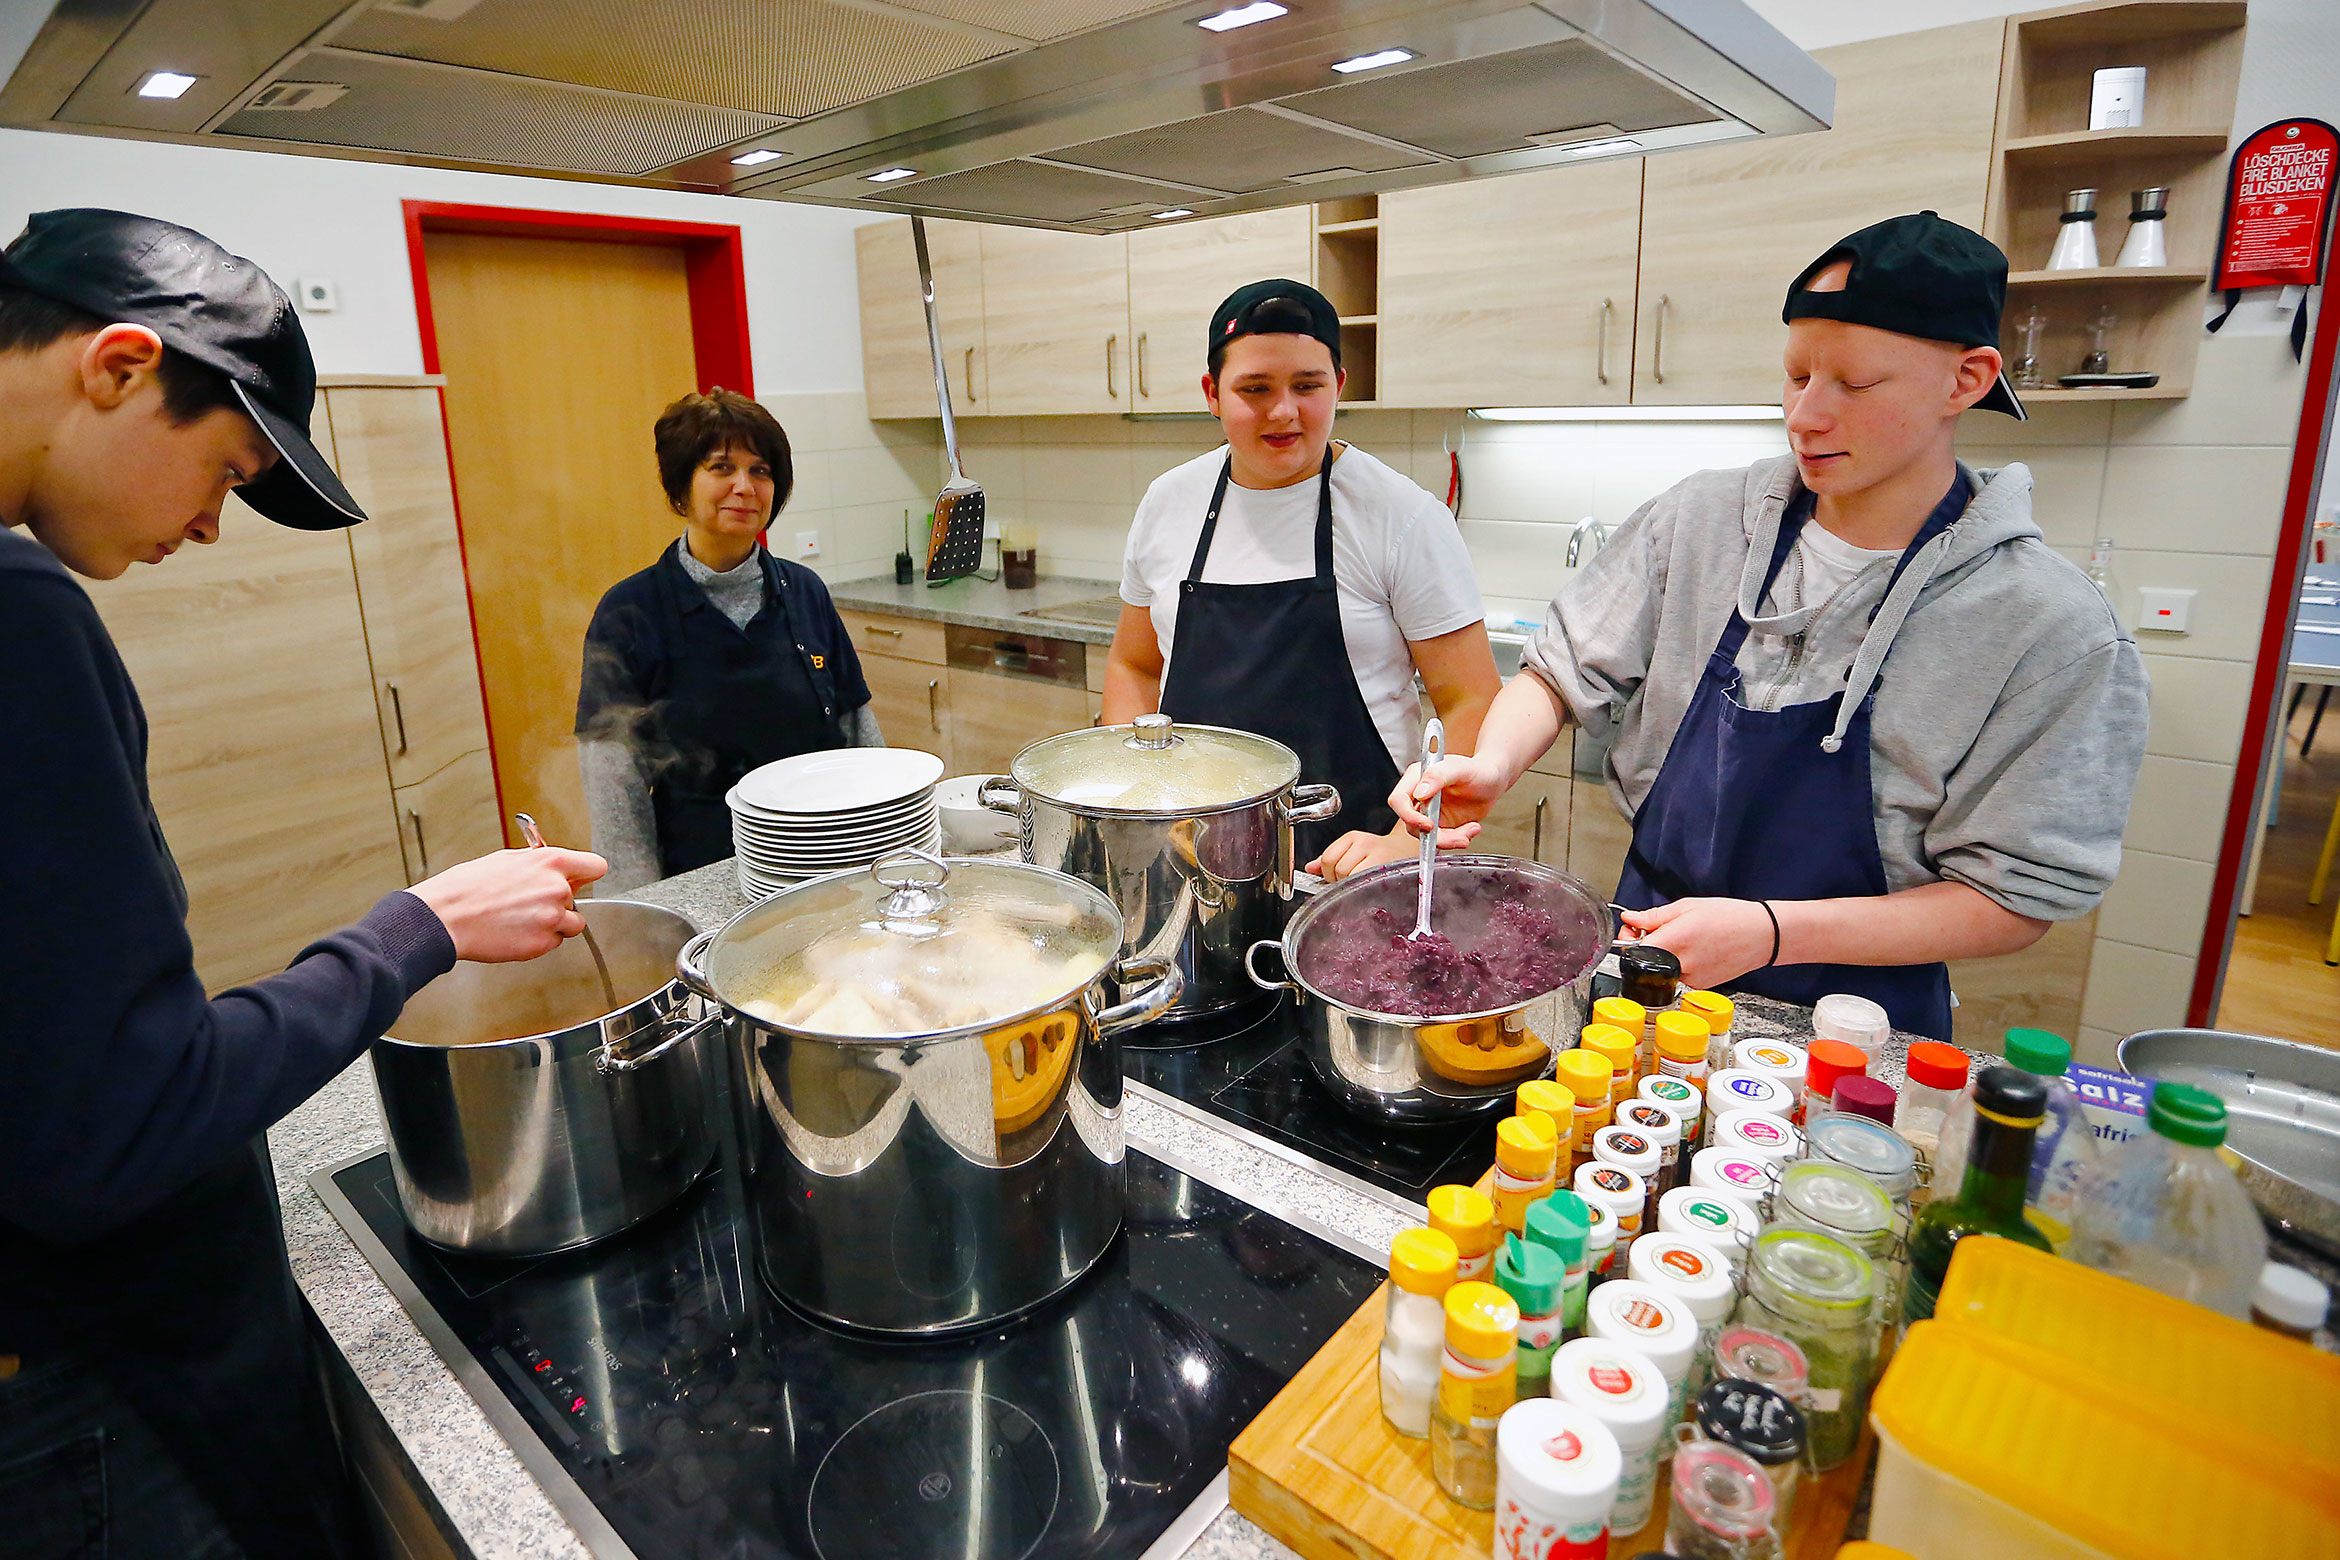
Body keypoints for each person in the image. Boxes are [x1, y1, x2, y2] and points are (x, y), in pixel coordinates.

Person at [0, 209, 606, 1560]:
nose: (212, 526)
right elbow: (121, 1120)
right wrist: (419, 928)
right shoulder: (19, 612)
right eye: (222, 468)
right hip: (99, 1390)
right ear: (116, 366)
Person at [1396, 213, 2149, 1040]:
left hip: (1854, 1021)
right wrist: (1494, 762)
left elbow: (2014, 901)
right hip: (1650, 966)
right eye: (1795, 377)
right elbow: (1561, 668)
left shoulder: (2049, 626)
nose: (1806, 416)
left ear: (1966, 380)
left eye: (1854, 385)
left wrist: (1774, 932)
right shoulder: (1705, 520)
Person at [1100, 279, 1499, 871]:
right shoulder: (1168, 502)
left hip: (1352, 862)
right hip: (1190, 856)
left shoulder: (1403, 516)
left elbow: (1472, 701)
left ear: (1338, 385)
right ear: (1213, 394)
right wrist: (1131, 801)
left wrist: (1401, 840)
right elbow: (1133, 664)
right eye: (1255, 388)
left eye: (1307, 386)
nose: (1284, 410)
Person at [576, 390, 881, 892]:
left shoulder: (804, 591)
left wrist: (889, 845)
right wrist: (642, 909)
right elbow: (615, 785)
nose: (744, 486)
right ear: (681, 487)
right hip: (702, 872)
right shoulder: (630, 611)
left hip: (829, 859)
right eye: (721, 468)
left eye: (760, 471)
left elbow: (858, 731)